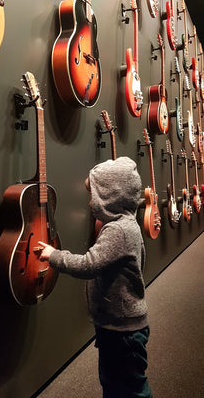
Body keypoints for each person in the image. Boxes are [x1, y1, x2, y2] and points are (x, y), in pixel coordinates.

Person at [39, 157, 153, 398]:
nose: (91, 202)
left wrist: (54, 255)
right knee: (113, 382)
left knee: (131, 388)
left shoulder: (117, 231)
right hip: (116, 325)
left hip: (124, 330)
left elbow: (89, 265)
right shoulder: (127, 224)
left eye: (96, 196)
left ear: (112, 198)